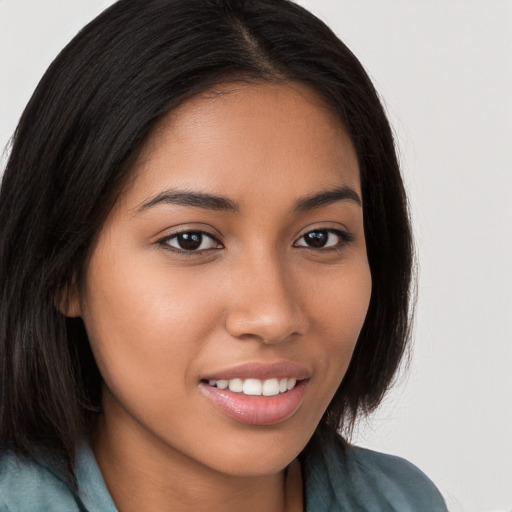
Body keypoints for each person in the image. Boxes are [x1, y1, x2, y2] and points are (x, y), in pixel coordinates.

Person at [0, 0, 448, 510]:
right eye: (190, 240)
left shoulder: (399, 501)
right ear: (63, 270)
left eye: (320, 237)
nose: (274, 316)